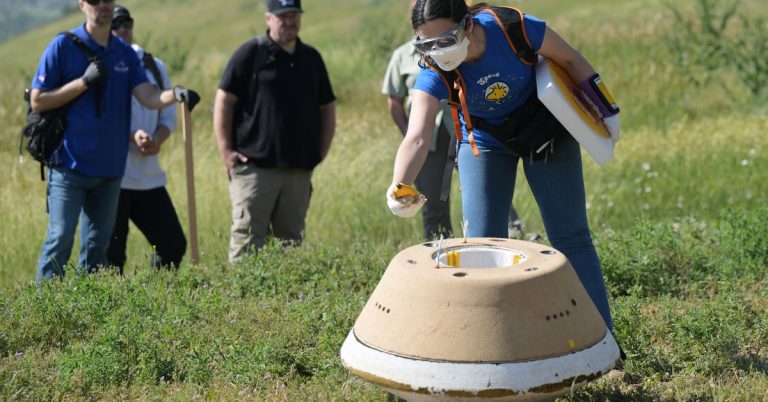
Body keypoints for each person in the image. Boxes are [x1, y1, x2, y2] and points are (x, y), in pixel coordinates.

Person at [386, 0, 621, 329]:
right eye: (427, 44)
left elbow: (569, 58)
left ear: (468, 24)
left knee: (571, 237)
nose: (438, 51)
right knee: (482, 247)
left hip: (546, 129)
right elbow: (417, 137)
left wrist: (605, 108)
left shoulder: (515, 28)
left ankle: (603, 343)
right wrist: (401, 184)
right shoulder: (434, 67)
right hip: (485, 141)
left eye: (445, 40)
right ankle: (493, 351)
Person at [31, 0, 200, 284]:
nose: (103, 6)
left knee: (98, 250)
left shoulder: (124, 53)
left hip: (110, 171)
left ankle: (91, 313)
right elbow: (38, 101)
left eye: (108, 0)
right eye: (95, 1)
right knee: (60, 239)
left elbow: (148, 97)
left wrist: (176, 93)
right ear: (81, 5)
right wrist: (83, 82)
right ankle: (42, 316)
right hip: (69, 166)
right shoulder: (63, 46)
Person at [213, 0, 336, 263]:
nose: (289, 21)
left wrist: (321, 151)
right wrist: (226, 151)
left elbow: (327, 106)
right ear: (268, 18)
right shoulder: (250, 53)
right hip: (254, 168)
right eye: (283, 16)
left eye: (294, 15)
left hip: (298, 169)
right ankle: (241, 301)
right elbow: (224, 101)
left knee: (291, 241)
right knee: (247, 240)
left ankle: (285, 300)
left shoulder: (311, 58)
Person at [106, 5, 187, 273]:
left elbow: (168, 118)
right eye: (115, 23)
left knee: (173, 245)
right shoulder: (101, 64)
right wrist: (132, 136)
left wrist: (157, 139)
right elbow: (99, 120)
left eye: (127, 22)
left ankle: (150, 298)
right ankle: (115, 311)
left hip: (148, 176)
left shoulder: (154, 65)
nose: (122, 29)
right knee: (111, 257)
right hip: (113, 177)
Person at [382, 40, 454, 240]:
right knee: (434, 201)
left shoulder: (454, 46)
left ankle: (510, 234)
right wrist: (410, 133)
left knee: (485, 194)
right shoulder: (401, 55)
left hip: (462, 132)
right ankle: (438, 252)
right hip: (428, 143)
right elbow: (394, 100)